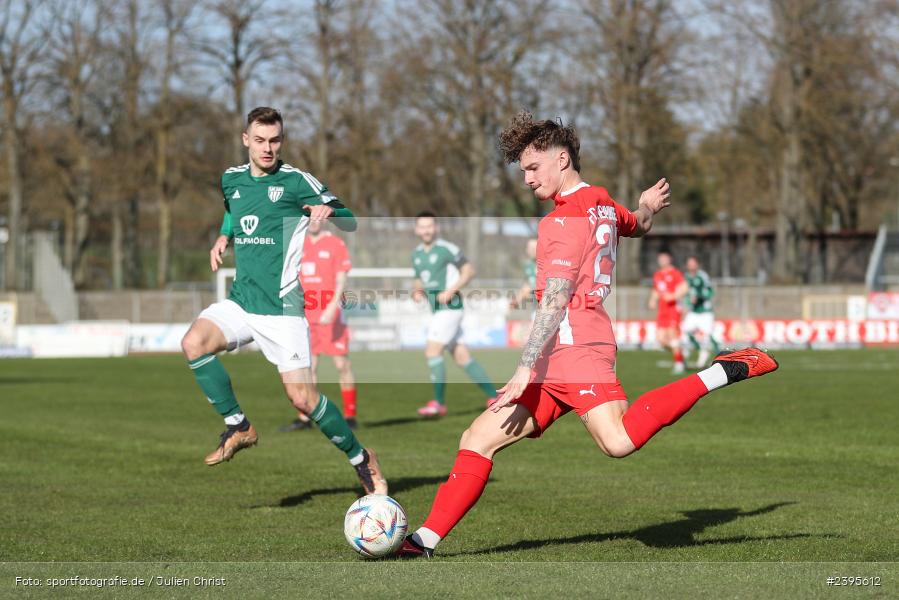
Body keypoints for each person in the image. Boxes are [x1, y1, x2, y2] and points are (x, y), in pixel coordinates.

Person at [397, 111, 777, 558]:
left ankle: (725, 369)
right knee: (477, 438)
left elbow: (556, 298)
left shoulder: (560, 222)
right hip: (561, 352)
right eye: (522, 172)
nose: (527, 180)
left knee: (617, 442)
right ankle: (422, 541)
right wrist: (648, 207)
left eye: (533, 168)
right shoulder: (600, 201)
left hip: (577, 347)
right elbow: (636, 223)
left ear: (561, 159)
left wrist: (522, 369)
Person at [184, 106, 386, 496]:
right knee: (194, 342)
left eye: (275, 140)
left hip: (282, 308)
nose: (267, 148)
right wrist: (223, 237)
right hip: (242, 301)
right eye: (259, 140)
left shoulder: (297, 182)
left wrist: (330, 211)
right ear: (246, 139)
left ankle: (363, 460)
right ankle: (238, 425)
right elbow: (232, 210)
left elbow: (351, 221)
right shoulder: (230, 179)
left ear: (282, 140)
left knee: (303, 397)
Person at [411, 212, 497, 417]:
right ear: (416, 229)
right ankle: (495, 396)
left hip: (451, 308)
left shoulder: (447, 249)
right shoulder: (416, 254)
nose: (426, 230)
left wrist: (451, 290)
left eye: (429, 226)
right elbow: (418, 279)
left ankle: (438, 403)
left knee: (432, 351)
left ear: (436, 227)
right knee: (461, 356)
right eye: (422, 227)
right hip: (437, 311)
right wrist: (416, 291)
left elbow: (469, 271)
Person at [279, 219, 359, 431]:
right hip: (305, 315)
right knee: (308, 367)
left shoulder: (336, 244)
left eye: (317, 217)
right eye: (309, 217)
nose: (314, 221)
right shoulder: (298, 243)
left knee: (342, 365)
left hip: (331, 315)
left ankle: (350, 415)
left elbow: (342, 280)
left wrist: (332, 307)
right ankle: (306, 417)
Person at [649, 251, 688, 373]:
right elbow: (656, 290)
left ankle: (679, 363)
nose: (662, 261)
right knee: (661, 339)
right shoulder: (657, 275)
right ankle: (680, 351)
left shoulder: (675, 273)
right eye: (660, 259)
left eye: (664, 258)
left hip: (673, 309)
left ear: (669, 259)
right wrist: (652, 300)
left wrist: (674, 296)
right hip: (662, 310)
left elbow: (684, 287)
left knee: (672, 335)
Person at [681, 256, 720, 367]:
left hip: (705, 312)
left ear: (697, 265)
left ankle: (705, 355)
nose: (691, 266)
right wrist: (686, 303)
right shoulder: (686, 277)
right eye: (689, 264)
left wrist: (699, 297)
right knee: (686, 331)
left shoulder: (702, 276)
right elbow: (685, 293)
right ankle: (686, 352)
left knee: (707, 336)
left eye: (693, 263)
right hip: (693, 311)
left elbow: (710, 292)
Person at [508, 238, 538, 312]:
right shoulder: (528, 265)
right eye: (528, 248)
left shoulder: (548, 264)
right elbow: (527, 286)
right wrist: (515, 301)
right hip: (537, 309)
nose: (530, 250)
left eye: (533, 248)